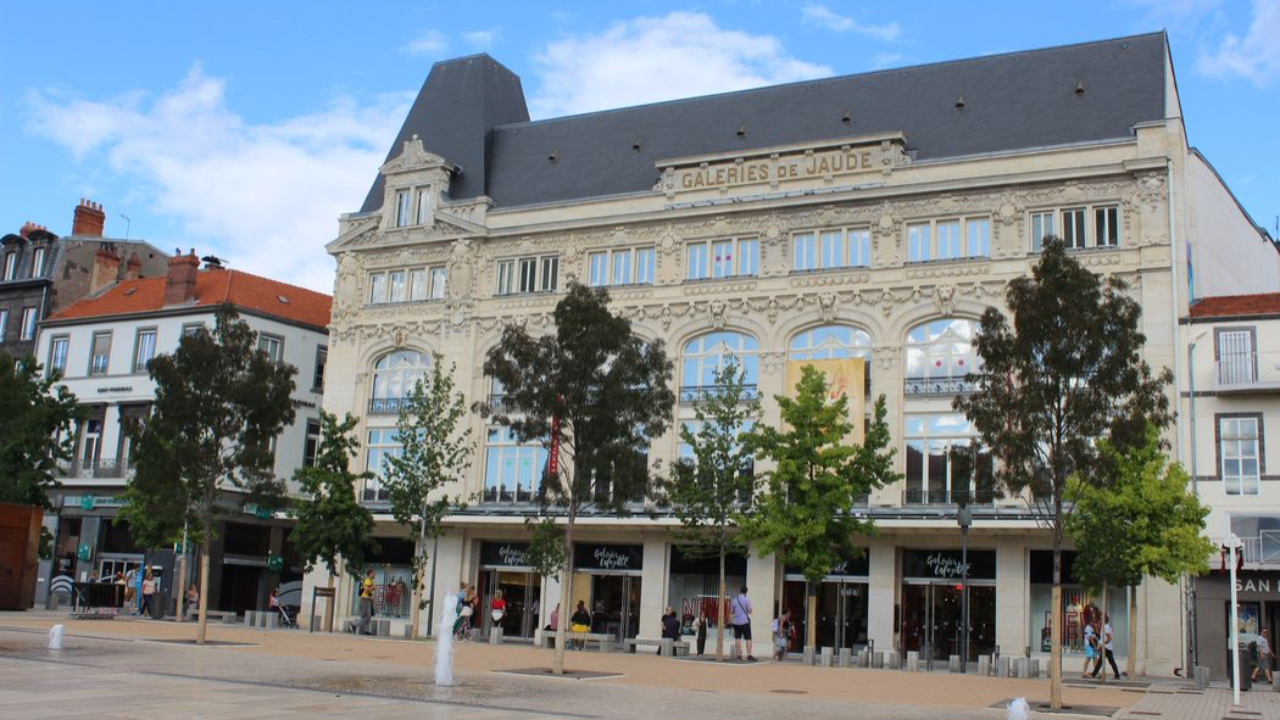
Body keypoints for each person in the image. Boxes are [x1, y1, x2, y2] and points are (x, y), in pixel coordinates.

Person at [1091, 613, 1121, 681]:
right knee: (1107, 661)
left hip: (1106, 647)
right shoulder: (1106, 626)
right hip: (1107, 647)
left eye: (1101, 619)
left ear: (1104, 620)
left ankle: (1093, 674)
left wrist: (1103, 645)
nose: (1100, 620)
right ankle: (1117, 675)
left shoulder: (1105, 627)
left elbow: (1109, 638)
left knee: (1103, 661)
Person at [730, 586, 756, 661]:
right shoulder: (747, 599)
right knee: (748, 638)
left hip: (736, 622)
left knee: (737, 638)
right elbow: (749, 610)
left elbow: (731, 611)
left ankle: (739, 655)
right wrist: (750, 610)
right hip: (745, 622)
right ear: (746, 592)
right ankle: (749, 655)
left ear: (740, 591)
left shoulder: (734, 600)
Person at [357, 569, 375, 635]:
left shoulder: (369, 581)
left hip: (368, 599)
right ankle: (355, 625)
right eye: (373, 573)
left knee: (368, 616)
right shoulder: (367, 580)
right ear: (370, 574)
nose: (374, 575)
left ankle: (365, 631)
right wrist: (373, 587)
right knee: (366, 616)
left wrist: (372, 597)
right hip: (365, 599)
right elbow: (366, 589)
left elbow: (368, 591)